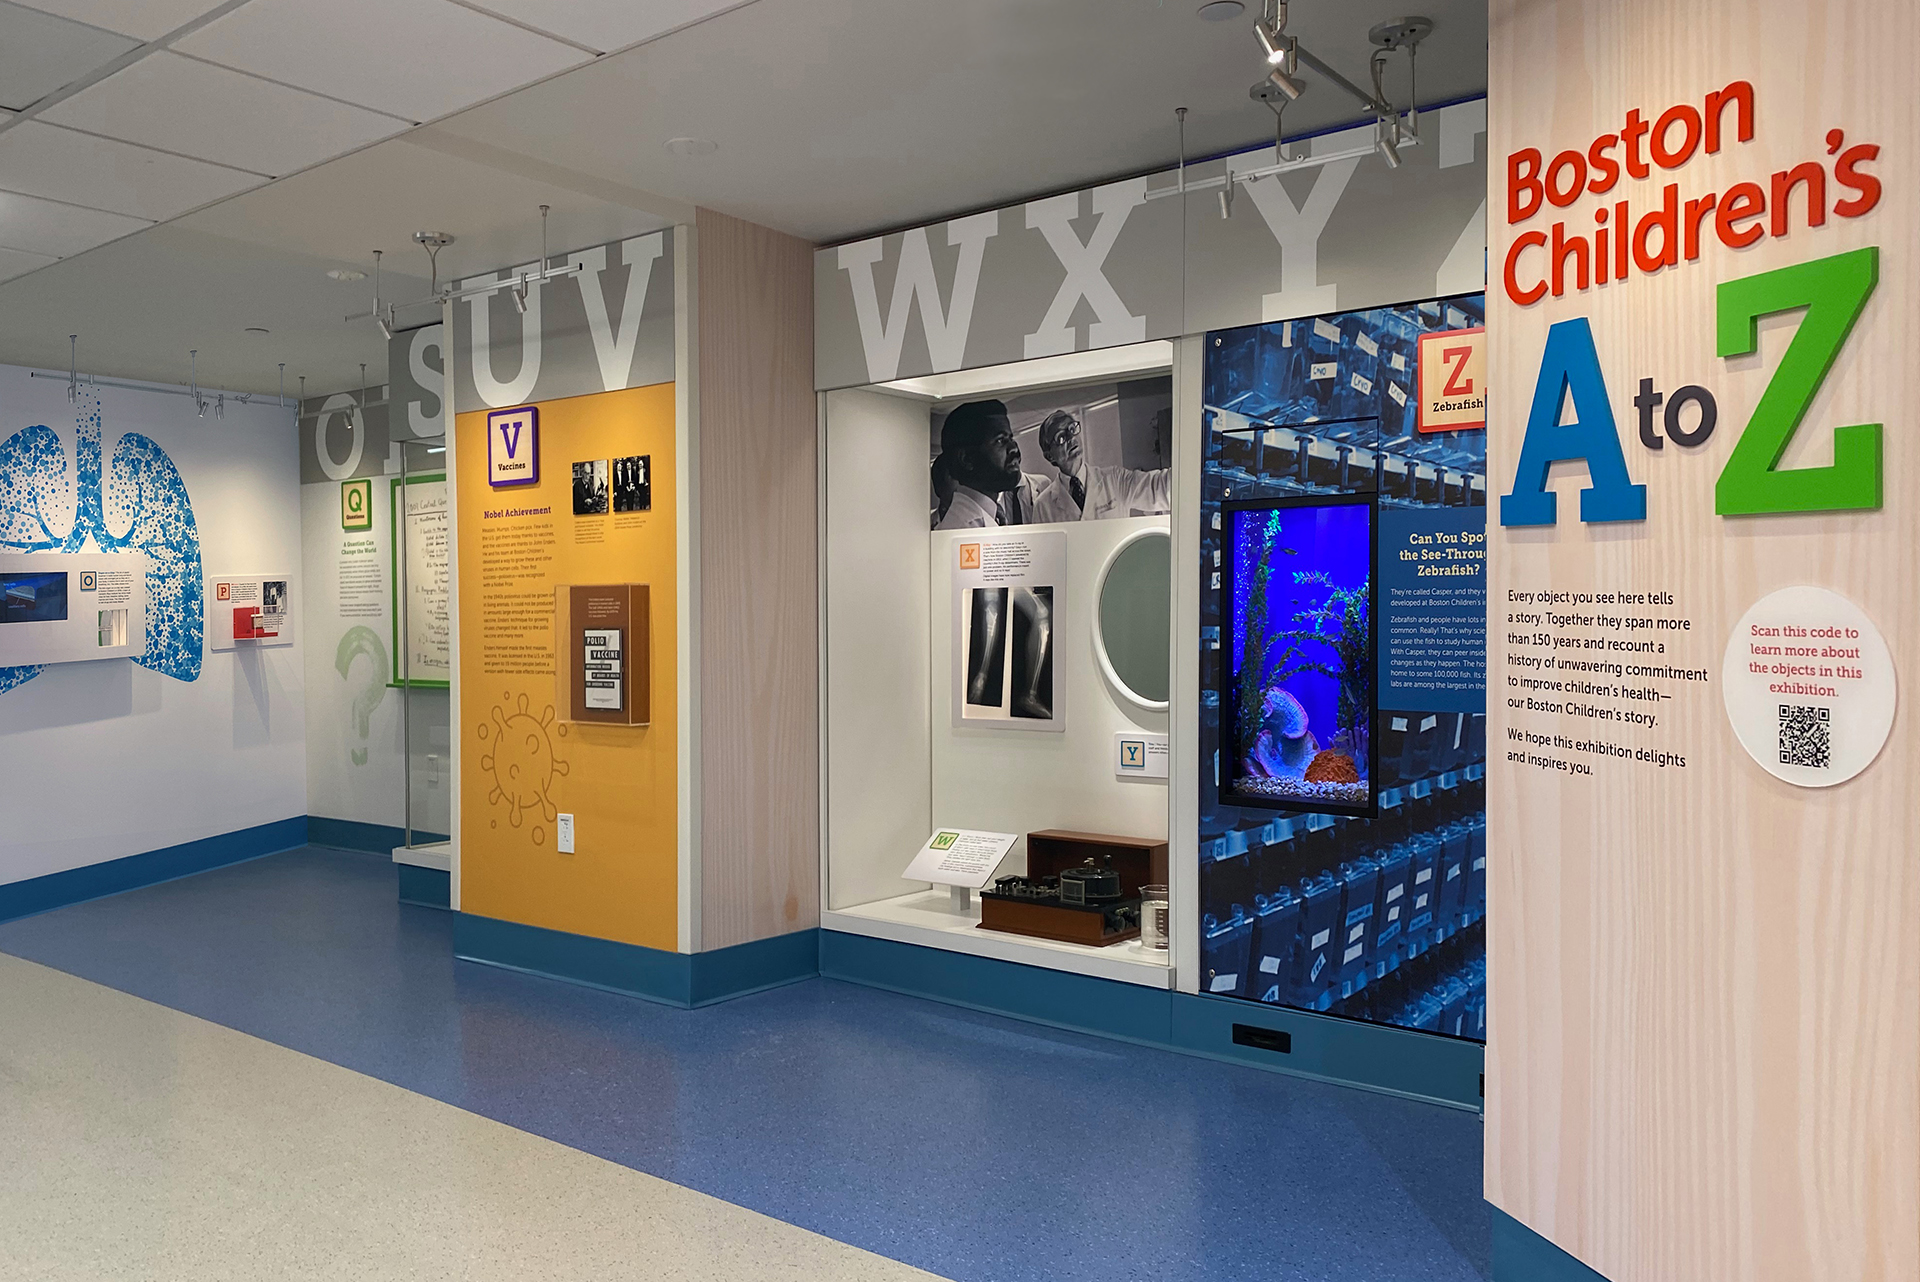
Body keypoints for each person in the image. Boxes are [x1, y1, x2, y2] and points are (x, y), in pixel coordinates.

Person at [1029, 409, 1170, 522]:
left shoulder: (1114, 479)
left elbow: (1158, 487)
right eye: (1061, 437)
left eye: (1072, 429)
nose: (1071, 438)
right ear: (1049, 456)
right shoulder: (1042, 506)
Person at [933, 400, 1028, 530]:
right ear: (967, 459)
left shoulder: (983, 517)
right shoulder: (966, 528)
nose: (1014, 448)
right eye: (1000, 440)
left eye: (1011, 438)